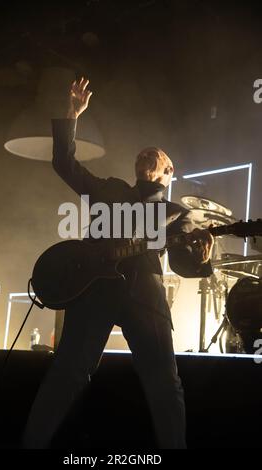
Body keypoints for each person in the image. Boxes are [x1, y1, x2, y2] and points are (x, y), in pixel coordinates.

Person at [23, 77, 214, 449]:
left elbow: (183, 263)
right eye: (143, 153)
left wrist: (202, 262)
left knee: (163, 382)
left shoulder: (177, 213)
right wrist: (71, 115)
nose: (147, 155)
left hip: (145, 298)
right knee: (68, 375)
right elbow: (64, 162)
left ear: (168, 172)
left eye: (155, 154)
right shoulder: (110, 189)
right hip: (93, 289)